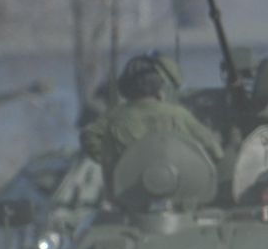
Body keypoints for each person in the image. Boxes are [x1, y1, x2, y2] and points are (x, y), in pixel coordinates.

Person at [79, 51, 223, 183]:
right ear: (159, 87)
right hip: (177, 189)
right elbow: (215, 152)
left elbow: (89, 135)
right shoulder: (178, 114)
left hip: (128, 192)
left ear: (126, 89)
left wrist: (113, 163)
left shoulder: (115, 116)